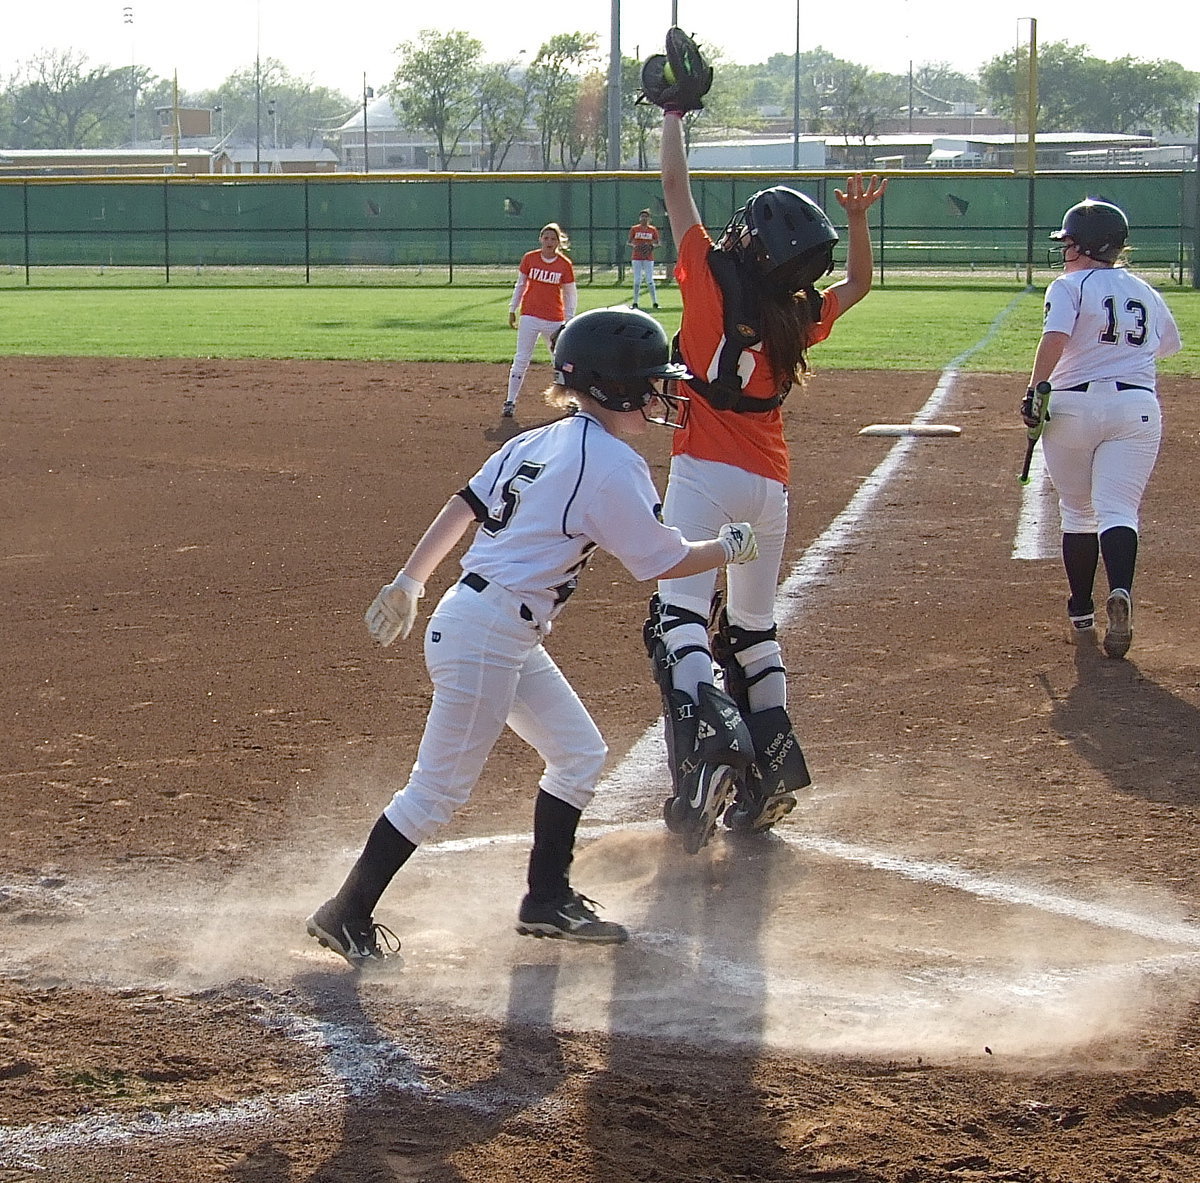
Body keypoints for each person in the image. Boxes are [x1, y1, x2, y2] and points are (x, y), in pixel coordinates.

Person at [306, 306, 760, 967]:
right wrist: (726, 547)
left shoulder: (539, 441)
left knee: (578, 751)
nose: (661, 393)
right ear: (614, 386)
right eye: (651, 380)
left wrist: (411, 580)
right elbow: (661, 559)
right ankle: (345, 912)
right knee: (435, 793)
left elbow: (466, 503)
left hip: (487, 624)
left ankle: (546, 898)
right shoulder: (611, 463)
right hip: (489, 634)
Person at [644, 95, 887, 853]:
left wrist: (676, 116)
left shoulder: (715, 285)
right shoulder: (796, 311)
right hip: (770, 486)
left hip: (705, 475)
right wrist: (856, 220)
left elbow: (675, 189)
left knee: (678, 619)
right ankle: (771, 772)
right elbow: (859, 284)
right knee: (752, 631)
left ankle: (710, 752)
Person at [1024, 198, 1181, 659]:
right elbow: (1166, 346)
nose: (1065, 251)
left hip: (1072, 404)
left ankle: (1080, 609)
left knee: (1076, 510)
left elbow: (1055, 337)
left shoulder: (1070, 285)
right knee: (1119, 510)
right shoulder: (1148, 292)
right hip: (1136, 404)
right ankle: (1123, 590)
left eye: (1069, 243)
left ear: (1087, 246)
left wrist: (1035, 390)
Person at [502, 223, 577, 419]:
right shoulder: (530, 258)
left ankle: (570, 401)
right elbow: (520, 285)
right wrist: (512, 308)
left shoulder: (564, 264)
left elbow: (570, 295)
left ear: (558, 242)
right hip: (530, 315)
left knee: (559, 360)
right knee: (521, 358)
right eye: (546, 238)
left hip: (554, 319)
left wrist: (568, 320)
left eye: (553, 239)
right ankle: (510, 401)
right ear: (540, 239)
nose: (549, 242)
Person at [628, 209, 661, 309]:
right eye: (642, 216)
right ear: (639, 218)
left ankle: (655, 302)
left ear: (649, 218)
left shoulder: (652, 230)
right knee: (637, 280)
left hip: (648, 258)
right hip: (637, 257)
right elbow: (629, 241)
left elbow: (658, 243)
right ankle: (635, 302)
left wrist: (651, 246)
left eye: (646, 216)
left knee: (649, 280)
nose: (644, 218)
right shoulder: (634, 229)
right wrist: (636, 246)